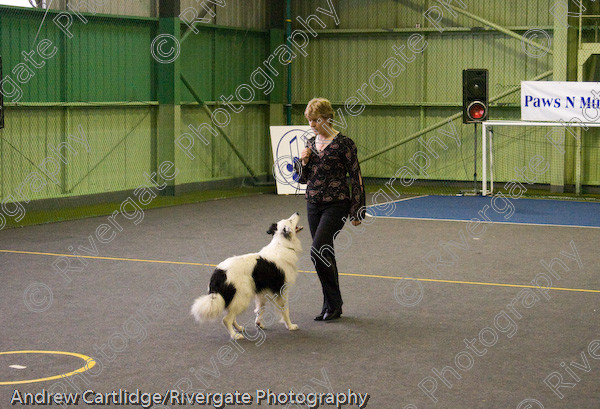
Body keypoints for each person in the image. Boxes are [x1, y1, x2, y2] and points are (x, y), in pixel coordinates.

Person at [294, 98, 365, 322]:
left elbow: (356, 176)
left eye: (315, 120)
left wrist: (357, 209)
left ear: (327, 118)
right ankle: (331, 305)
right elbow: (302, 179)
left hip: (337, 203)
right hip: (313, 203)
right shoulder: (309, 142)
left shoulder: (345, 144)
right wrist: (303, 162)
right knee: (325, 253)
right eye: (310, 121)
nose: (312, 125)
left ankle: (333, 303)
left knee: (317, 250)